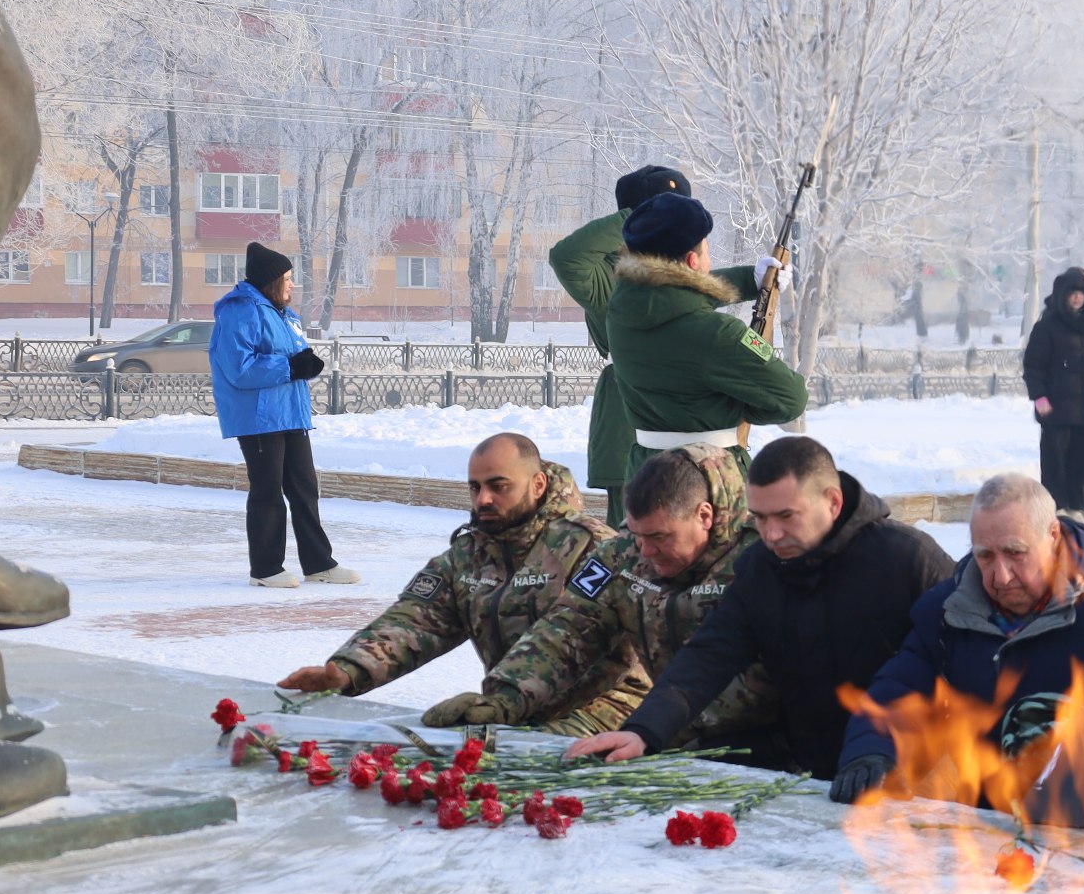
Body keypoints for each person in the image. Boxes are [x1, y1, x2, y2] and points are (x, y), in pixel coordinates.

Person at [563, 436, 955, 773]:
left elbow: (969, 661)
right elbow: (709, 655)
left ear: (832, 502)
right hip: (806, 761)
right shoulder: (760, 568)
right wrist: (643, 731)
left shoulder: (906, 559)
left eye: (786, 516)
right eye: (761, 518)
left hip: (913, 759)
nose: (771, 534)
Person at [838, 473, 1084, 802]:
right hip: (982, 819)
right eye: (984, 555)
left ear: (1054, 535)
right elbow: (898, 689)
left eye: (1016, 553)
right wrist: (869, 750)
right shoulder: (945, 613)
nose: (1000, 576)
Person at [277, 434, 643, 730]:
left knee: (507, 767)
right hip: (512, 708)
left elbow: (568, 639)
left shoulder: (593, 548)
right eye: (475, 487)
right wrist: (348, 670)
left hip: (609, 708)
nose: (483, 499)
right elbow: (414, 620)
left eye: (499, 486)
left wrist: (503, 701)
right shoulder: (469, 553)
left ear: (538, 484)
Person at [420, 444, 777, 743]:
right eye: (637, 535)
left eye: (658, 538)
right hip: (666, 730)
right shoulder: (623, 556)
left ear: (705, 515)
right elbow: (568, 629)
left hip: (769, 746)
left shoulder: (762, 559)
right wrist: (505, 698)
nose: (646, 553)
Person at [548, 166, 769, 525]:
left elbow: (691, 295)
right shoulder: (606, 272)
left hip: (691, 427)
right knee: (641, 551)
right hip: (634, 429)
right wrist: (640, 215)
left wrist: (753, 278)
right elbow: (565, 257)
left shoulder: (669, 272)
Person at [608, 191, 809, 480]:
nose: (709, 260)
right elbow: (792, 399)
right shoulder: (720, 334)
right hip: (710, 478)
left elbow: (672, 297)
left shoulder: (620, 313)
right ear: (692, 261)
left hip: (645, 475)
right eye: (706, 252)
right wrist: (739, 405)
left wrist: (751, 279)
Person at [210, 241, 357, 590]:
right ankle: (265, 568)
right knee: (267, 491)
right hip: (259, 418)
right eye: (288, 278)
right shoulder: (241, 311)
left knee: (305, 489)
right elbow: (238, 368)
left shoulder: (284, 315)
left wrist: (305, 363)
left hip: (291, 414)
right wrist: (291, 366)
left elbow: (290, 360)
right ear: (271, 280)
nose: (293, 285)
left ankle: (319, 562)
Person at [1022, 266, 1084, 516]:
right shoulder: (1048, 325)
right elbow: (1033, 365)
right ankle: (1055, 509)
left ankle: (1078, 508)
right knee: (1055, 462)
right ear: (1063, 294)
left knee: (1082, 464)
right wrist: (1039, 396)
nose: (1076, 297)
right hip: (1056, 409)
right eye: (1072, 292)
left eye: (1081, 292)